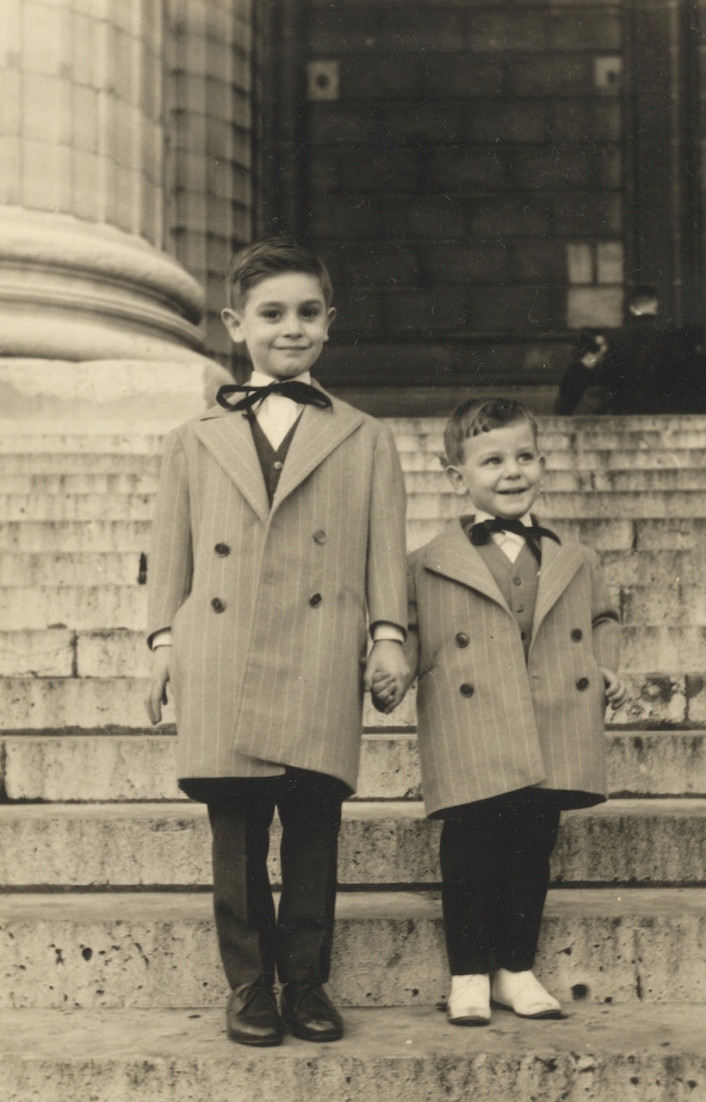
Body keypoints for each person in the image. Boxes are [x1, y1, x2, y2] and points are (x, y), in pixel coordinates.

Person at [144, 238, 409, 1047]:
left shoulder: (365, 437)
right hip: (220, 649)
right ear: (235, 325)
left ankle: (306, 980)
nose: (289, 328)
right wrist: (161, 642)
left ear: (329, 323)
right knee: (235, 833)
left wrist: (389, 636)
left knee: (314, 826)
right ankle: (249, 984)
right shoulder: (191, 439)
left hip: (322, 646)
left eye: (305, 313)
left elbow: (383, 548)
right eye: (271, 314)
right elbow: (174, 549)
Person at [374, 398, 625, 1027]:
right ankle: (467, 975)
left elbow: (602, 619)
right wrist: (393, 671)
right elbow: (400, 632)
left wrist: (608, 664)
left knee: (531, 849)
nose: (512, 472)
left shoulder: (577, 557)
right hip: (473, 731)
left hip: (550, 721)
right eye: (492, 461)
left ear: (541, 462)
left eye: (524, 457)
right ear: (457, 475)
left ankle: (515, 968)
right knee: (468, 852)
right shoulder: (426, 562)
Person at [591, 285, 670, 414]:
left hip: (625, 406)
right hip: (659, 407)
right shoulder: (666, 334)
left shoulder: (618, 336)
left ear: (632, 308)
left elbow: (607, 373)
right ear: (655, 305)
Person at [552, 331, 608, 415]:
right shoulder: (575, 371)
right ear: (589, 350)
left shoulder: (598, 371)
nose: (605, 349)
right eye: (601, 345)